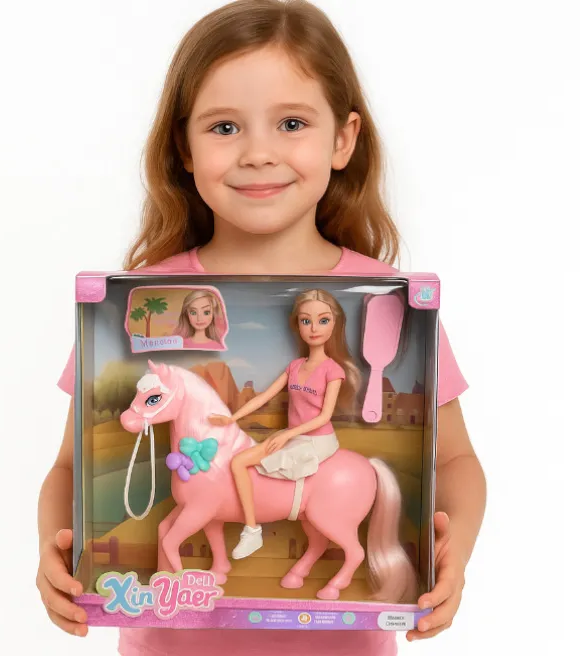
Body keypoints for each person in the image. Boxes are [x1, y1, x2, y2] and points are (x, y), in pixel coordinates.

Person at [37, 1, 486, 654]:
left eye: (291, 123)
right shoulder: (132, 304)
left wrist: (455, 552)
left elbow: (456, 459)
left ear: (343, 139)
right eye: (224, 127)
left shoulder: (394, 305)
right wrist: (54, 555)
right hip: (167, 648)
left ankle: (254, 529)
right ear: (184, 147)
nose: (257, 153)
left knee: (252, 464)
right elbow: (68, 466)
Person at [209, 288, 362, 559]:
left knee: (265, 464)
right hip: (294, 435)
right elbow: (264, 396)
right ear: (297, 325)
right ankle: (252, 530)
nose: (314, 328)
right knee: (238, 462)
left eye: (323, 320)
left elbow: (324, 417)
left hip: (317, 440)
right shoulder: (295, 366)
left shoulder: (333, 371)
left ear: (335, 324)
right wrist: (232, 418)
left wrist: (288, 434)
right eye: (306, 321)